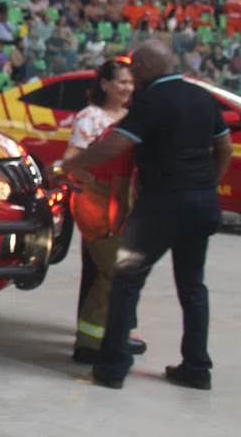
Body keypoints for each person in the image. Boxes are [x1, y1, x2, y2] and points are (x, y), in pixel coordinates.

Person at [53, 40, 232, 391]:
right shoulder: (202, 96)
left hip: (161, 206)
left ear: (149, 67)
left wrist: (67, 164)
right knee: (193, 287)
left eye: (134, 69)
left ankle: (113, 367)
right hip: (202, 205)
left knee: (125, 281)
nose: (132, 77)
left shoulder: (151, 100)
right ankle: (197, 367)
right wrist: (208, 183)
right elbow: (223, 147)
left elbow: (112, 147)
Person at [63, 59, 146, 365]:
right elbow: (73, 158)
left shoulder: (133, 116)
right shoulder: (90, 118)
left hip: (128, 200)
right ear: (105, 84)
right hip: (98, 202)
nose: (127, 88)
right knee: (103, 269)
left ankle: (119, 328)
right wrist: (95, 181)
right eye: (121, 82)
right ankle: (90, 338)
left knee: (122, 267)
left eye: (130, 82)